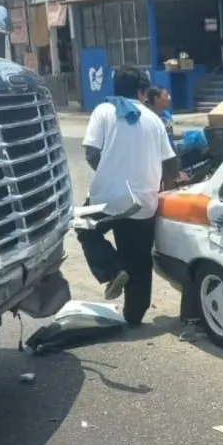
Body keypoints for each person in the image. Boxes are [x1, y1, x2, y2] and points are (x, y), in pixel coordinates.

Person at [79, 65, 180, 327]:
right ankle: (134, 316)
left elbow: (90, 152)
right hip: (144, 202)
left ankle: (112, 270)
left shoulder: (103, 110)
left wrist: (110, 171)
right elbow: (171, 165)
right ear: (143, 92)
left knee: (83, 227)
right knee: (138, 257)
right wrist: (165, 190)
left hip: (106, 198)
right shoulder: (154, 119)